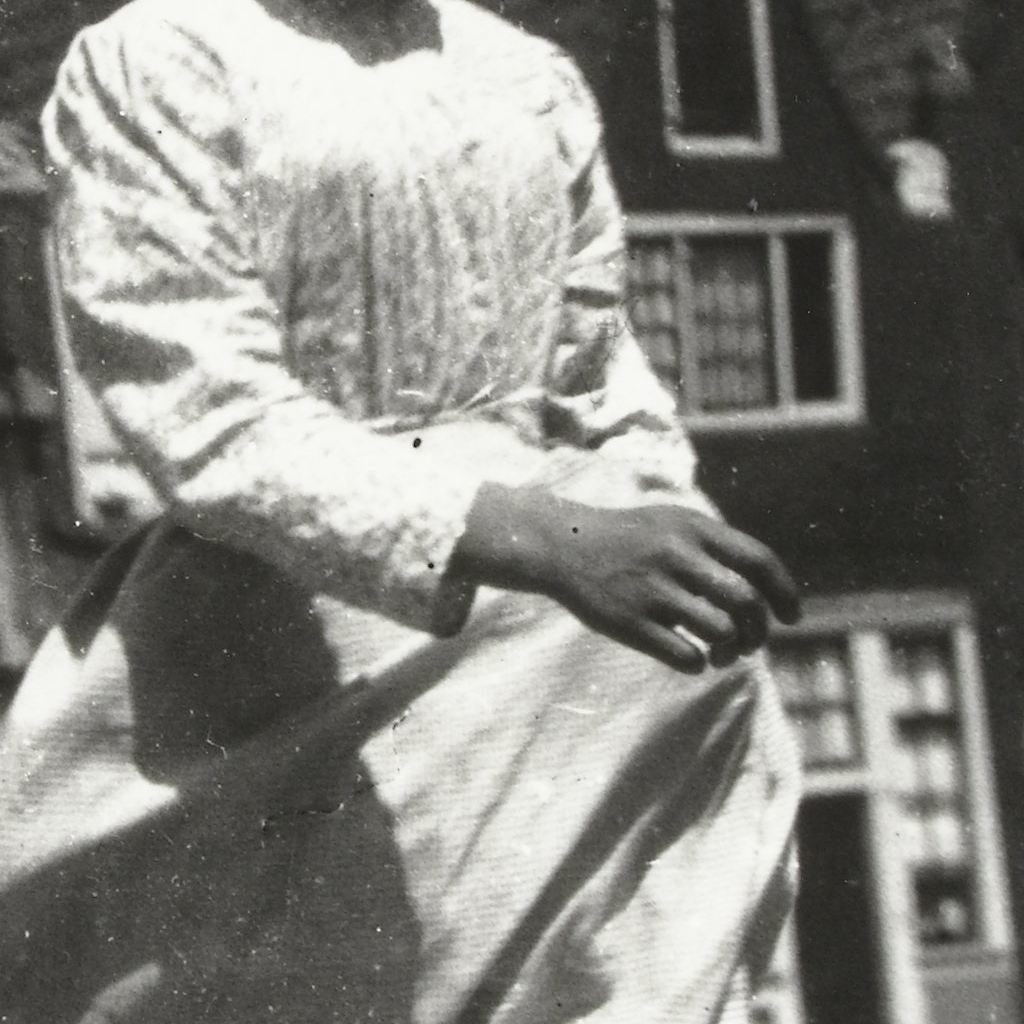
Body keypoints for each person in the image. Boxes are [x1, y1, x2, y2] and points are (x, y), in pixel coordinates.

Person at [0, 0, 803, 1020]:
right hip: (291, 652)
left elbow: (601, 379)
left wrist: (663, 522)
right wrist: (556, 541)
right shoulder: (162, 59)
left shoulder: (528, 77)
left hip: (573, 676)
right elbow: (207, 412)